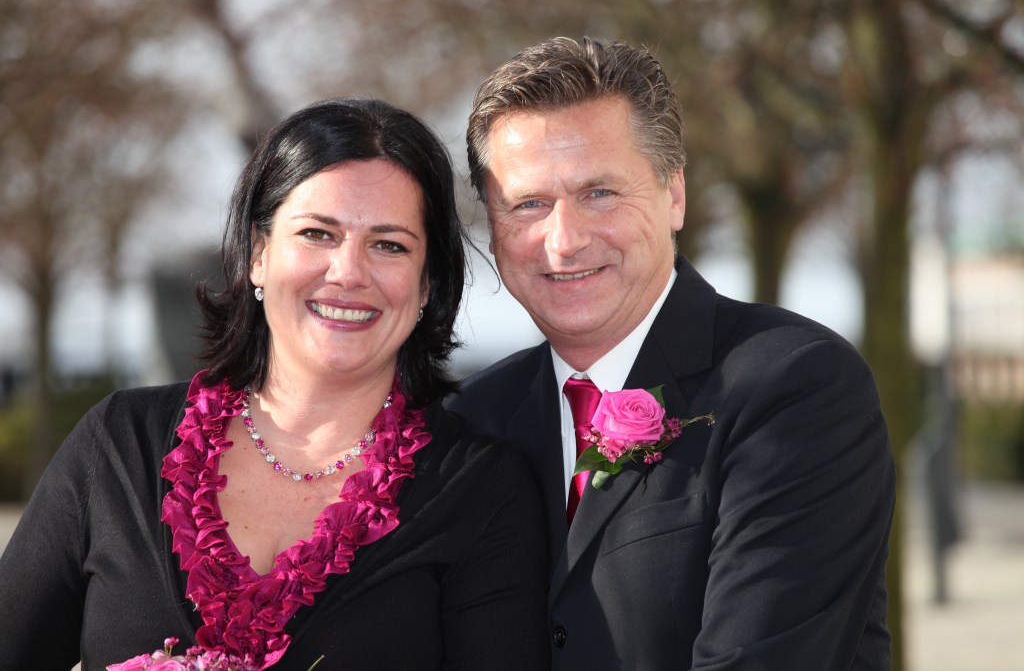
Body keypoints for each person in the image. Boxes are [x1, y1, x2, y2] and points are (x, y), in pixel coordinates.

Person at [0, 98, 549, 670]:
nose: (348, 272)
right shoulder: (119, 445)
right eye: (317, 233)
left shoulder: (482, 491)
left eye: (390, 245)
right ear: (258, 253)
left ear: (428, 282)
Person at [448, 36, 896, 669]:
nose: (564, 240)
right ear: (492, 228)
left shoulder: (795, 387)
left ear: (675, 195)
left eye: (599, 193)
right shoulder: (471, 421)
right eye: (529, 204)